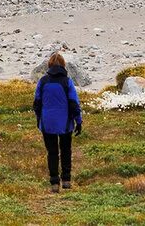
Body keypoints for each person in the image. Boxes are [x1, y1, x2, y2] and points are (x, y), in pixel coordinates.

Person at [33, 52, 82, 193]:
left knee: (52, 152)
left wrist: (39, 119)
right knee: (66, 150)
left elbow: (37, 103)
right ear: (63, 65)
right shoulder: (67, 82)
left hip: (47, 123)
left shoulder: (42, 81)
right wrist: (78, 121)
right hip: (65, 123)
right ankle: (66, 180)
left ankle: (54, 182)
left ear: (49, 65)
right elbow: (74, 104)